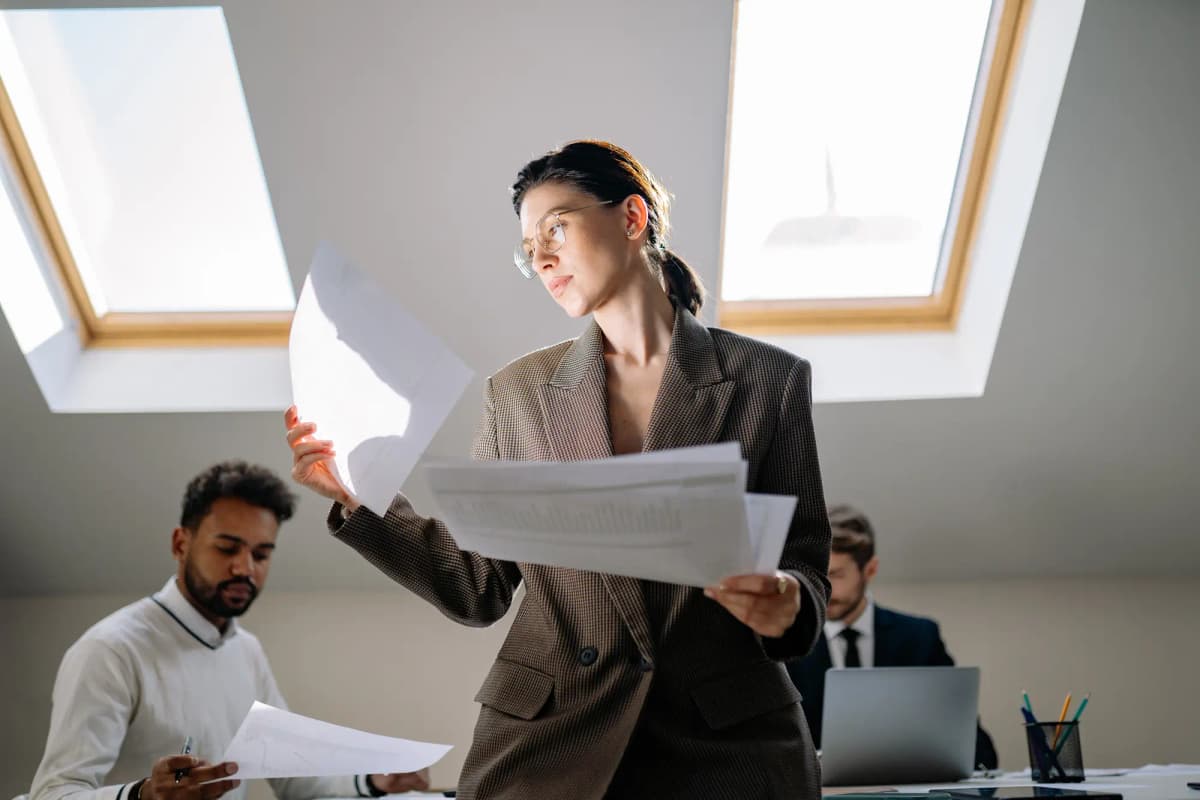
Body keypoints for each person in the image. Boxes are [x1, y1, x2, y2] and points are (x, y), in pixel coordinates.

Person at [285, 139, 833, 799]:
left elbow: (805, 566)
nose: (540, 257)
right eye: (528, 248)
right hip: (551, 740)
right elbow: (478, 585)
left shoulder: (768, 380)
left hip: (723, 743)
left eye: (556, 229)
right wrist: (359, 500)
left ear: (631, 218)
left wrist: (785, 601)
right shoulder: (518, 392)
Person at [28, 461, 429, 800]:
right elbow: (54, 792)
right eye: (227, 549)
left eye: (260, 554)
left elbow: (294, 777)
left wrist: (376, 782)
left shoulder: (246, 650)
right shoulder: (110, 651)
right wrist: (143, 794)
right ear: (180, 543)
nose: (245, 568)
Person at [785, 504, 999, 770]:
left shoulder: (919, 637)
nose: (823, 589)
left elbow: (972, 745)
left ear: (870, 570)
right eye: (815, 576)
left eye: (836, 575)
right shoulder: (786, 643)